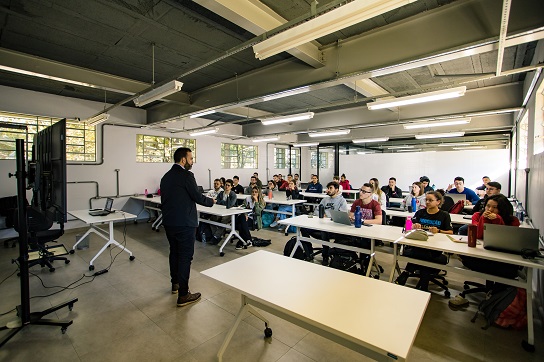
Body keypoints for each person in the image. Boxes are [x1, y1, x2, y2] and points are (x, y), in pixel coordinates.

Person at [160, 147, 215, 307]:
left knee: (174, 252)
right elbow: (197, 196)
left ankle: (175, 284)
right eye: (191, 159)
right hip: (184, 223)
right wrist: (211, 202)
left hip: (169, 222)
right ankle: (184, 294)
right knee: (185, 256)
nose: (192, 162)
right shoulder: (186, 175)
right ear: (183, 160)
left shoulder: (166, 177)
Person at [449, 194, 521, 308]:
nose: (490, 210)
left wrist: (498, 220)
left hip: (502, 258)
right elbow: (478, 235)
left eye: (495, 207)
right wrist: (484, 218)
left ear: (503, 209)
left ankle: (497, 297)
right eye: (488, 206)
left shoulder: (513, 221)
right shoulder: (477, 215)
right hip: (478, 256)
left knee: (509, 270)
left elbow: (503, 238)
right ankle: (494, 294)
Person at [395, 191, 453, 288]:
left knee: (424, 255)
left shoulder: (444, 215)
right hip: (419, 244)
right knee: (422, 253)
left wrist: (438, 231)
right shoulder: (420, 213)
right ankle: (423, 284)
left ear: (438, 202)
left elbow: (450, 232)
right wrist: (413, 225)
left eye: (430, 200)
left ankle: (407, 272)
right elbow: (407, 227)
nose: (427, 202)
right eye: (426, 200)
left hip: (435, 248)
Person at [301, 181, 349, 265]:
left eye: (331, 188)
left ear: (337, 190)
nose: (328, 190)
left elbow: (341, 215)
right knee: (303, 228)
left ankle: (325, 255)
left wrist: (329, 217)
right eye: (328, 188)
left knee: (324, 231)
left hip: (332, 227)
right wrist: (322, 215)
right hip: (320, 223)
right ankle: (309, 252)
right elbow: (316, 210)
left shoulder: (342, 201)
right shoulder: (325, 199)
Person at [209, 179, 238, 245]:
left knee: (224, 220)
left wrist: (221, 202)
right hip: (220, 210)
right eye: (226, 185)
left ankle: (216, 237)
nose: (227, 186)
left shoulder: (233, 194)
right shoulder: (221, 193)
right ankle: (216, 234)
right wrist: (222, 202)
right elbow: (217, 202)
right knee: (212, 219)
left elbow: (230, 205)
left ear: (231, 187)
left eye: (228, 185)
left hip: (230, 213)